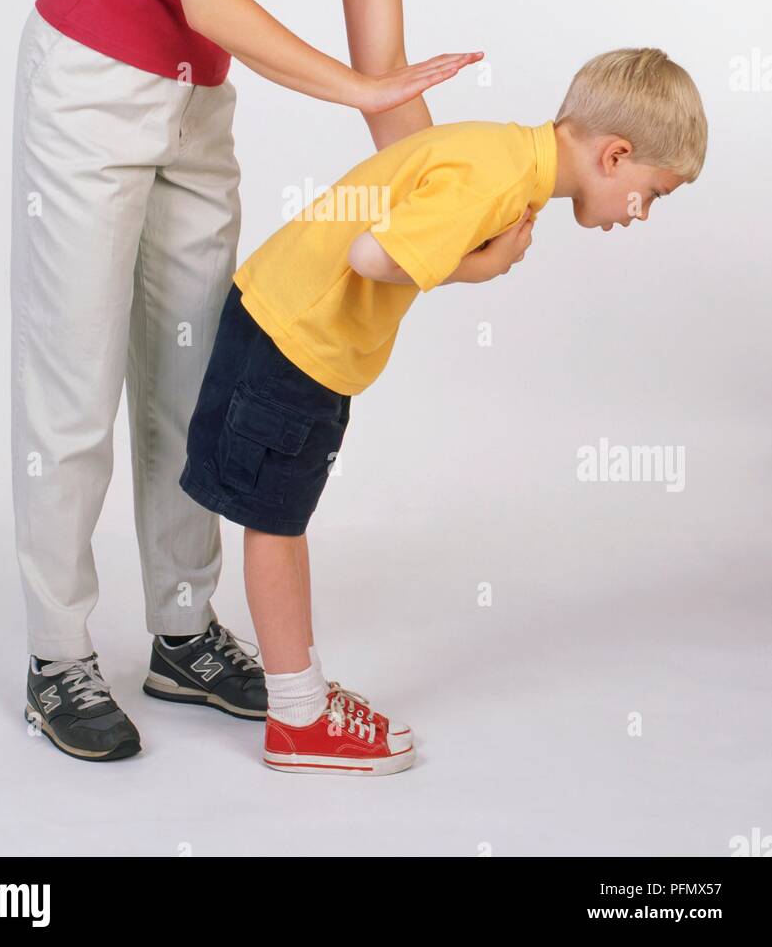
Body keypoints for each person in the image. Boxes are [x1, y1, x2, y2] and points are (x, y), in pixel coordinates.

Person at [16, 0, 503, 760]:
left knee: (196, 386)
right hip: (91, 80)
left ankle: (183, 632)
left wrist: (461, 213)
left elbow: (389, 85)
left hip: (195, 109)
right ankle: (56, 653)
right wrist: (360, 87)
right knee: (73, 383)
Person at [177, 48, 709, 775]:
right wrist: (478, 267)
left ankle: (299, 693)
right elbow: (371, 256)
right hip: (292, 337)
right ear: (615, 156)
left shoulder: (500, 152)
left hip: (296, 329)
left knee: (283, 515)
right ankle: (296, 719)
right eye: (656, 192)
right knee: (275, 522)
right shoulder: (496, 177)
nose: (642, 212)